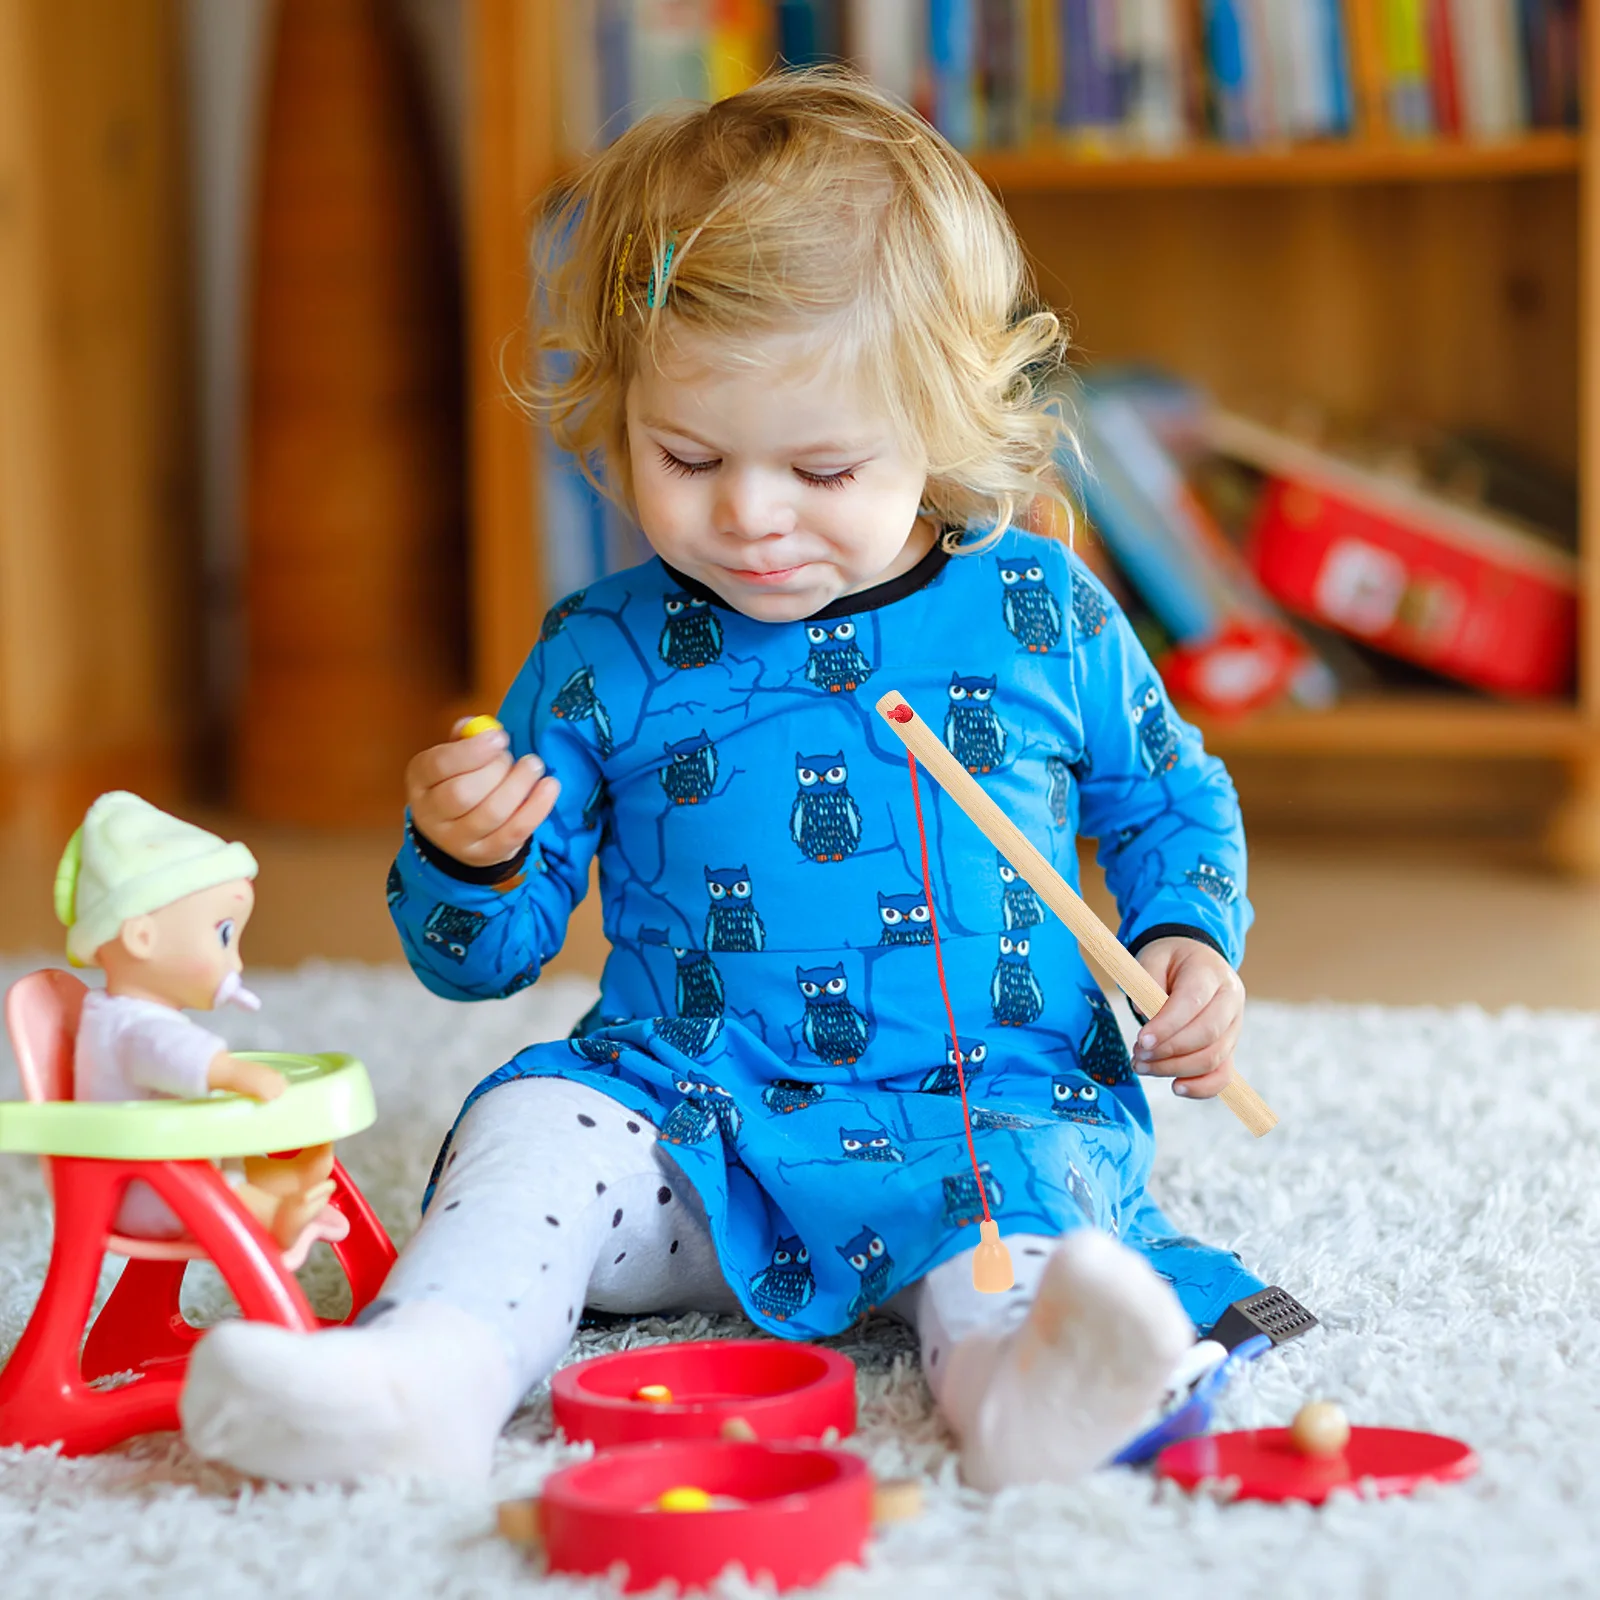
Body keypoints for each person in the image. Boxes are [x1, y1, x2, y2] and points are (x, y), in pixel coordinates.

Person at [182, 69, 1266, 1491]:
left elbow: (1166, 798)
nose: (749, 514)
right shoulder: (601, 655)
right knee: (528, 1127)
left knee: (1028, 1218)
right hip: (690, 1124)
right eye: (686, 455)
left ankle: (1026, 1392)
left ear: (941, 423)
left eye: (823, 468)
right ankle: (424, 1375)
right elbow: (478, 962)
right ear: (621, 407)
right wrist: (469, 853)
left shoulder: (1041, 611)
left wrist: (1187, 940)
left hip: (981, 1112)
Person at [59, 791, 341, 1252]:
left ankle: (279, 1188)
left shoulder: (129, 1015)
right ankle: (274, 1215)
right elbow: (173, 1053)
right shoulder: (129, 1026)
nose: (236, 963)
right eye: (223, 936)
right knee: (222, 1193)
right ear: (142, 937)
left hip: (169, 1170)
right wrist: (231, 1071)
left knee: (229, 1172)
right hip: (144, 1190)